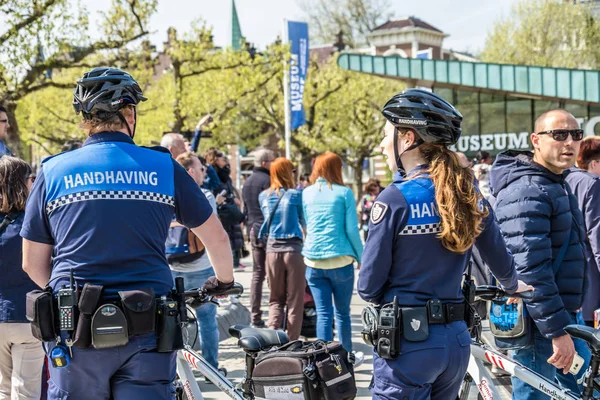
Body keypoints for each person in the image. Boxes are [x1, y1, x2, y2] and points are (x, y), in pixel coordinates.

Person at [20, 67, 235, 399]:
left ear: (86, 118)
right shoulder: (163, 167)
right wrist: (222, 281)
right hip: (149, 326)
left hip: (74, 329)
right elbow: (217, 237)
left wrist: (68, 296)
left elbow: (32, 264)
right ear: (129, 113)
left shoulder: (53, 171)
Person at [357, 89, 529, 400]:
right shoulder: (468, 192)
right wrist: (513, 284)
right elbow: (499, 258)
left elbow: (368, 287)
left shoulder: (394, 199)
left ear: (408, 139)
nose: (382, 145)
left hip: (409, 345)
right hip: (456, 342)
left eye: (386, 135)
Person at [491, 109, 589, 399]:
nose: (569, 142)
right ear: (536, 140)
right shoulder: (528, 189)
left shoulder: (554, 182)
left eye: (576, 135)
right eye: (559, 135)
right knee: (536, 394)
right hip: (541, 324)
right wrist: (557, 331)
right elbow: (530, 270)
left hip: (562, 314)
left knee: (582, 388)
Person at [169, 152, 226, 378]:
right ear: (191, 171)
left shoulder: (166, 195)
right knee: (207, 321)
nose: (204, 172)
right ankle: (210, 368)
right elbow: (214, 232)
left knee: (173, 321)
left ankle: (176, 371)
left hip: (172, 268)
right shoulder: (204, 195)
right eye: (201, 169)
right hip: (202, 267)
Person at [302, 151, 363, 353]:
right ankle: (346, 358)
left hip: (313, 262)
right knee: (343, 314)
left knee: (323, 313)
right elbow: (352, 231)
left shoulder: (306, 193)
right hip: (341, 261)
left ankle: (324, 361)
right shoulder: (344, 193)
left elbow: (308, 224)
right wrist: (362, 257)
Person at [0, 157, 44, 399]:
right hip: (27, 316)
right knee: (25, 390)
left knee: (3, 389)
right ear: (24, 182)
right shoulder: (33, 222)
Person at [258, 158, 306, 340]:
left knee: (275, 299)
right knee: (295, 300)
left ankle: (272, 339)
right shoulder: (296, 195)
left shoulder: (263, 196)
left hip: (272, 250)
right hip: (293, 250)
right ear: (288, 173)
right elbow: (304, 223)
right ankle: (292, 342)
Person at [565, 136, 600, 327]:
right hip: (592, 282)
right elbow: (597, 237)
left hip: (570, 283)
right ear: (594, 163)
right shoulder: (593, 184)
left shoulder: (564, 178)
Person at [242, 149, 275, 327]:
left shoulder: (247, 182)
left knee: (257, 274)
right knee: (272, 275)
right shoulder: (268, 181)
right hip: (268, 231)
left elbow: (246, 210)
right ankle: (275, 314)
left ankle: (255, 315)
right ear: (264, 163)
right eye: (272, 161)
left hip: (253, 230)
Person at [207, 149, 245, 270]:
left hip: (229, 206)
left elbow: (229, 189)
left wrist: (233, 198)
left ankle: (235, 259)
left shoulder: (225, 174)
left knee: (234, 233)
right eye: (222, 159)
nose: (225, 161)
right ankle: (228, 261)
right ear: (216, 160)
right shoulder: (212, 175)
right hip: (220, 208)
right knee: (225, 234)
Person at [191, 115, 221, 192]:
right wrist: (199, 127)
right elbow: (192, 151)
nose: (203, 171)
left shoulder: (204, 185)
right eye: (201, 169)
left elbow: (216, 183)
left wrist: (207, 166)